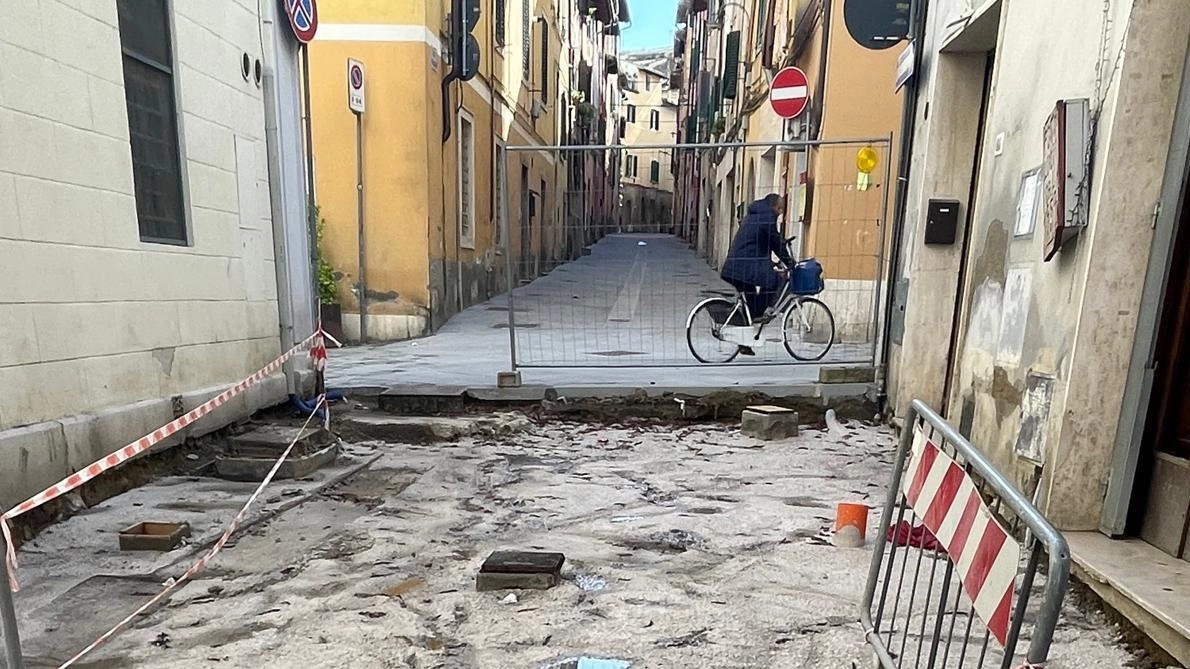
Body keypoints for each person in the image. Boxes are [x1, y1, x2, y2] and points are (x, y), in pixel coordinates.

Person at [720, 194, 793, 355]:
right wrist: (790, 263)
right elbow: (775, 243)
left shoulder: (754, 215)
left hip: (736, 265)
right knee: (773, 281)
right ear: (776, 207)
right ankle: (759, 316)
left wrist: (773, 263)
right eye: (780, 210)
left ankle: (745, 341)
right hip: (744, 266)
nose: (780, 213)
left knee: (751, 299)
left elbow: (758, 244)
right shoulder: (768, 217)